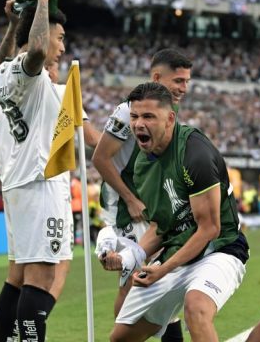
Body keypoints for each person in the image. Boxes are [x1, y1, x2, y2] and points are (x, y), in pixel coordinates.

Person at [103, 82, 248, 342]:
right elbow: (161, 227)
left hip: (220, 247)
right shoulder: (141, 166)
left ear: (170, 118)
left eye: (148, 116)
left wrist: (164, 269)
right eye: (134, 117)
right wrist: (127, 258)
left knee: (196, 307)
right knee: (121, 337)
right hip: (177, 253)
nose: (138, 124)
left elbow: (209, 229)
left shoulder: (194, 153)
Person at [0, 0, 71, 342]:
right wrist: (42, 0)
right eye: (59, 38)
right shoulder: (32, 73)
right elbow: (39, 49)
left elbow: (0, 61)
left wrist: (14, 24)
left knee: (16, 278)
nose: (61, 47)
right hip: (38, 182)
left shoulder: (7, 72)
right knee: (41, 278)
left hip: (18, 185)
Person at [92, 48, 192, 341]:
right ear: (157, 77)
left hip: (154, 210)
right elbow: (101, 159)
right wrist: (131, 199)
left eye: (187, 81)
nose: (184, 88)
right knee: (133, 284)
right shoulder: (127, 112)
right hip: (130, 211)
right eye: (179, 81)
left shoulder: (168, 111)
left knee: (163, 283)